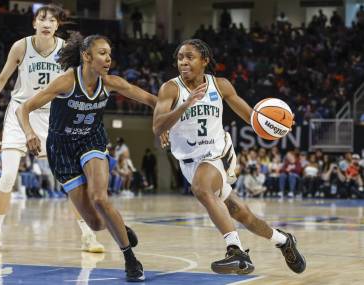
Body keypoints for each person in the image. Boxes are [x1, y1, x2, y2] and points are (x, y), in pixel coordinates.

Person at [153, 39, 306, 275]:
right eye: (180, 57)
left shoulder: (220, 85)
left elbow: (253, 118)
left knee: (201, 188)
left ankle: (235, 251)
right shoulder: (171, 89)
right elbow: (157, 126)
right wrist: (184, 106)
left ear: (204, 61)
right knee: (240, 213)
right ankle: (283, 241)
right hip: (188, 161)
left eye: (189, 57)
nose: (183, 62)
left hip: (217, 152)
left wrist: (280, 125)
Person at [16, 33, 157, 282]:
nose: (108, 58)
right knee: (95, 223)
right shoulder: (65, 83)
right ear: (86, 56)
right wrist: (29, 133)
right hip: (62, 149)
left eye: (110, 54)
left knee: (100, 198)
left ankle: (130, 259)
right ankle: (120, 228)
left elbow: (150, 99)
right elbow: (23, 108)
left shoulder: (110, 82)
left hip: (92, 141)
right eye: (102, 53)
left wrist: (177, 112)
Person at [0, 5, 104, 253]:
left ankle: (87, 236)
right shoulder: (21, 46)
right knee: (8, 175)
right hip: (20, 112)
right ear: (34, 23)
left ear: (57, 26)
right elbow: (1, 79)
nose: (47, 23)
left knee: (70, 179)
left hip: (51, 116)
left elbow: (79, 83)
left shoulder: (66, 50)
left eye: (52, 20)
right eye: (42, 19)